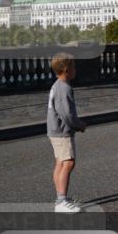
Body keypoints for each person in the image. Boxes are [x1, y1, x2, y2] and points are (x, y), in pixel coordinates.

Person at [47, 52, 87, 213]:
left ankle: (60, 197)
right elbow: (67, 114)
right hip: (62, 131)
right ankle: (61, 201)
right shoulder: (65, 88)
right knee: (68, 162)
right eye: (74, 66)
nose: (75, 69)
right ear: (66, 69)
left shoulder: (57, 85)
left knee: (60, 163)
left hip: (53, 130)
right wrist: (79, 125)